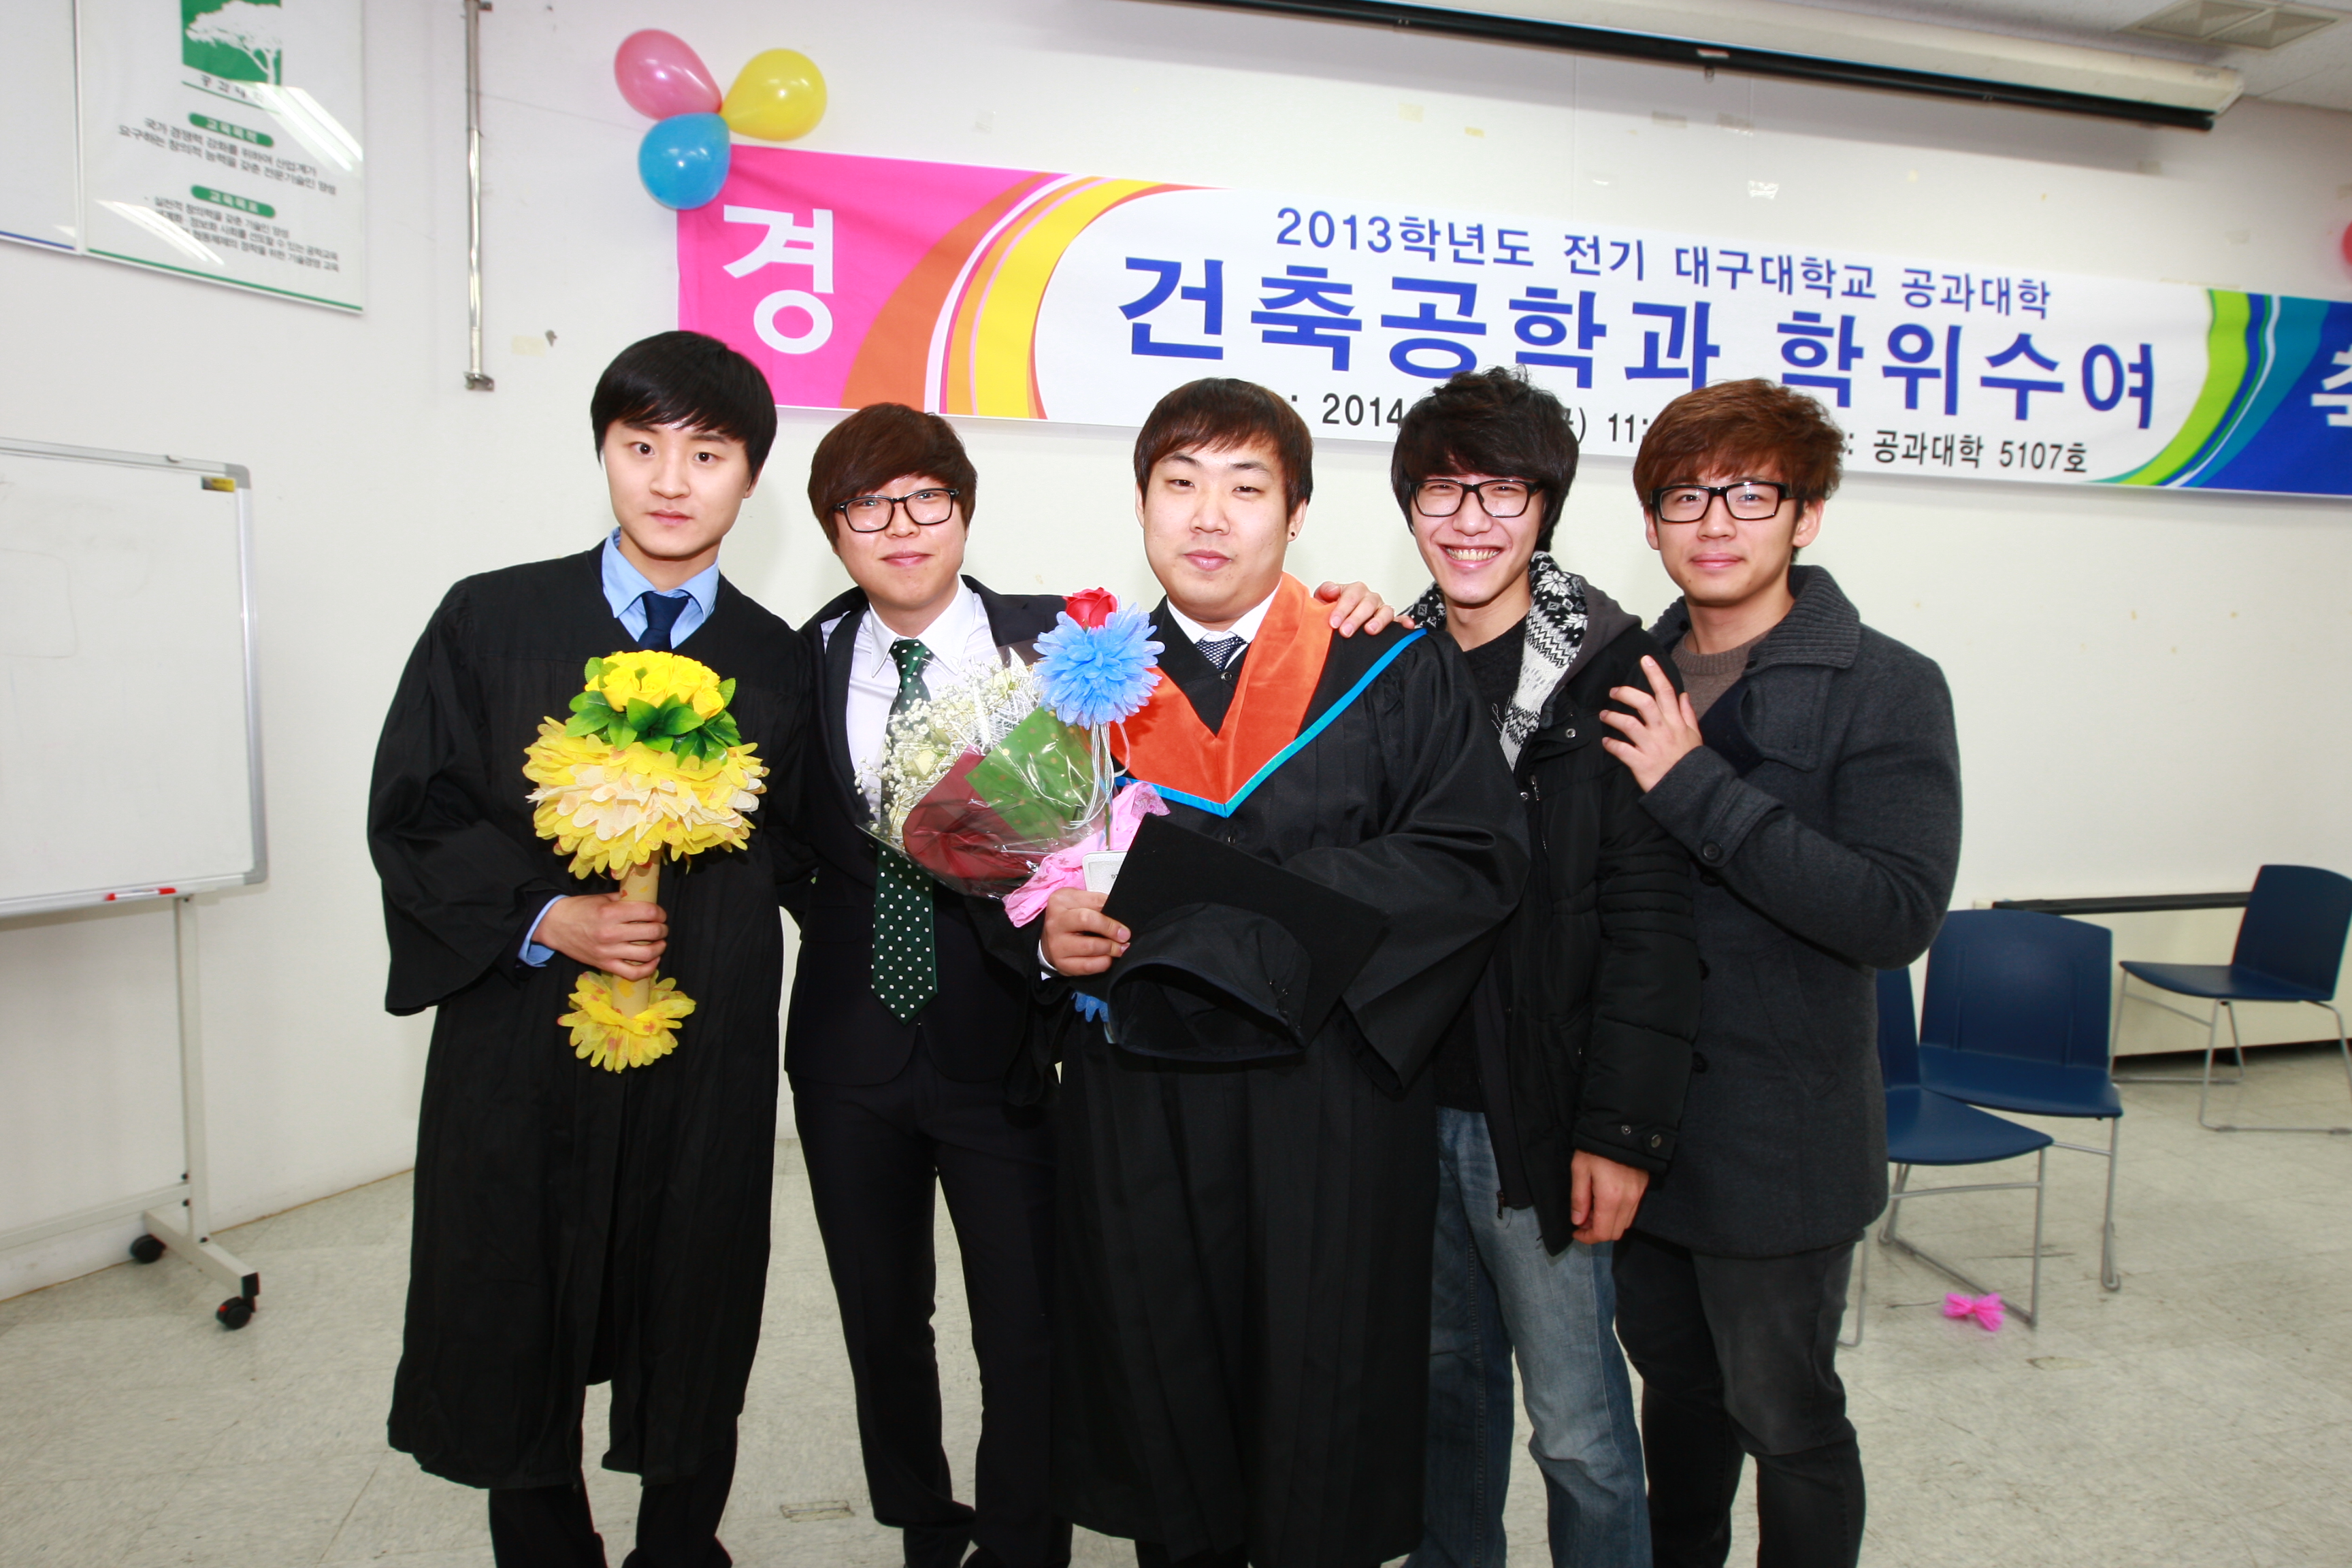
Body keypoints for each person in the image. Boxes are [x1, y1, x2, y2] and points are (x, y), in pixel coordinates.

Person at [782, 402, 1404, 1568]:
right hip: (850, 1046)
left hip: (1009, 1048)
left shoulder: (1065, 653)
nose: (901, 526)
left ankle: (1025, 1548)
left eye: (926, 500)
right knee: (880, 1322)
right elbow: (781, 846)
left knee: (1032, 1328)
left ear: (966, 511)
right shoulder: (797, 659)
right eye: (868, 507)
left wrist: (1352, 603)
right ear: (832, 529)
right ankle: (924, 1530)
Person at [1038, 377, 1529, 1568]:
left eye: (1246, 487)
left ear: (1297, 513)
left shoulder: (1389, 667)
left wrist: (1246, 922)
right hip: (1142, 1093)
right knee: (1166, 1367)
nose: (1209, 515)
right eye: (1180, 483)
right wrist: (1045, 935)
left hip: (1327, 1090)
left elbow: (1472, 856)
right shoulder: (1075, 686)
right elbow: (1021, 866)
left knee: (1325, 1372)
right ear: (1142, 504)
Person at [369, 329, 808, 1567]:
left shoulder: (778, 661)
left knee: (694, 1290)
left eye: (707, 454)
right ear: (604, 453)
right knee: (517, 1293)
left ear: (750, 475)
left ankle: (680, 1546)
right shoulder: (493, 619)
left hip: (702, 1042)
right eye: (641, 446)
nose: (671, 480)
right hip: (522, 1035)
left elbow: (820, 849)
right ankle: (545, 1545)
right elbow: (415, 811)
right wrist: (546, 917)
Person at [1595, 379, 1962, 1568]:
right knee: (1677, 1396)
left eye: (1750, 494)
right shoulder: (1624, 674)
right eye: (1685, 496)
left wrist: (1695, 785)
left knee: (1786, 1417)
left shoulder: (1887, 685)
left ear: (1806, 516)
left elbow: (1894, 914)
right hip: (1643, 1128)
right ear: (1651, 522)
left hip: (1782, 1141)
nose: (1715, 522)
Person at [1390, 369, 1701, 1568]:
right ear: (1411, 507)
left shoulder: (1617, 677)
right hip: (1410, 1100)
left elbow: (1652, 926)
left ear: (1546, 507)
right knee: (1439, 1397)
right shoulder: (1388, 668)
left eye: (1503, 491)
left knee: (1577, 1431)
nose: (1470, 520)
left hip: (1545, 1115)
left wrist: (1621, 1132)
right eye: (1443, 491)